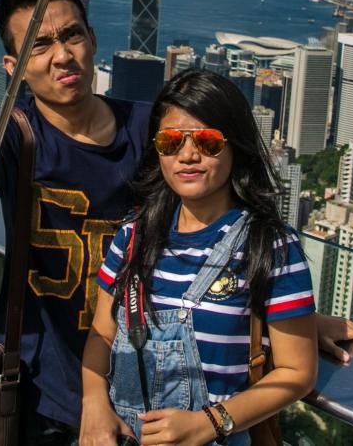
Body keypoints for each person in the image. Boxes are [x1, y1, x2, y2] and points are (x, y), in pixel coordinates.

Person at [0, 0, 353, 444]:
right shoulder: (16, 131)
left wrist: (286, 319)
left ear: (92, 39)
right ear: (14, 66)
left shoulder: (154, 130)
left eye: (72, 35)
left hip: (153, 395)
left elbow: (214, 234)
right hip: (40, 382)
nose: (62, 55)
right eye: (39, 46)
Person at [82, 70, 318, 446]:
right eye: (170, 141)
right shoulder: (132, 238)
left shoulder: (270, 246)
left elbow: (298, 370)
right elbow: (101, 340)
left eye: (208, 141)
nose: (188, 155)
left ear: (234, 146)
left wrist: (210, 422)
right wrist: (94, 406)